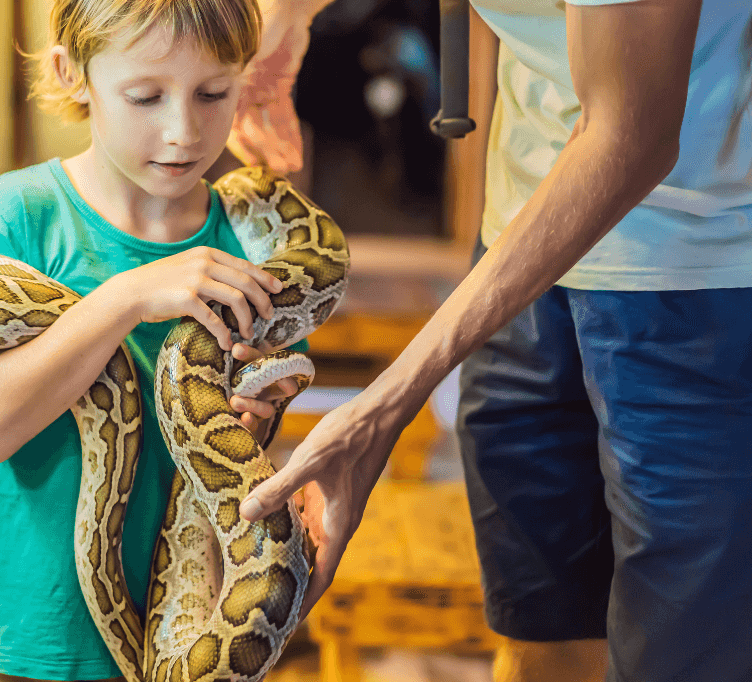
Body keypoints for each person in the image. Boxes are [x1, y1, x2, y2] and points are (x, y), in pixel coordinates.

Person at [231, 0, 752, 680]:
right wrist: (287, 19)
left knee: (676, 660)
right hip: (522, 240)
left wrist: (383, 407)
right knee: (539, 629)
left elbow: (631, 137)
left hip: (695, 272)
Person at [0, 1, 311, 680]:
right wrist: (128, 296)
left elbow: (229, 457)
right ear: (72, 73)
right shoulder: (25, 213)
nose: (183, 130)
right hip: (26, 644)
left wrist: (254, 421)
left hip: (191, 627)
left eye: (213, 93)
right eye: (145, 95)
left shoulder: (243, 241)